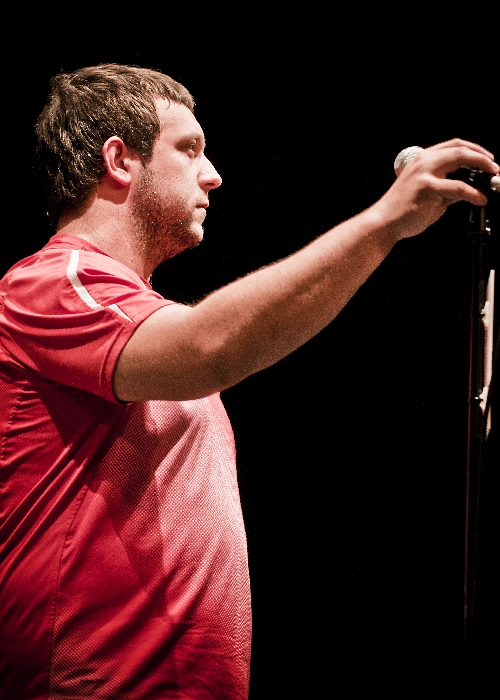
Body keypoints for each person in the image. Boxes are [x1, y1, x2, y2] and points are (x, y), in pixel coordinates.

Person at [0, 63, 497, 699]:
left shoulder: (131, 314)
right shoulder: (51, 283)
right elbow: (209, 346)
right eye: (190, 149)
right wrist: (384, 223)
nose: (213, 174)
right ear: (119, 160)